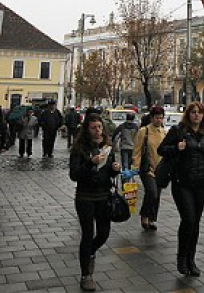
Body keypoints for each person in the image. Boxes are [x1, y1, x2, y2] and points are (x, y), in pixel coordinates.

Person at [158, 102, 204, 276]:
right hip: (182, 183)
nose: (197, 115)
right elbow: (161, 149)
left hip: (201, 184)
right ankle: (181, 258)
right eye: (193, 112)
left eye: (200, 113)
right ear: (188, 115)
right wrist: (176, 147)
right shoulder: (178, 131)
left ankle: (191, 260)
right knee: (189, 219)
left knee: (195, 222)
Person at [69, 113, 121, 292]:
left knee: (104, 233)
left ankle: (89, 253)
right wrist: (91, 162)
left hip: (104, 196)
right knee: (87, 233)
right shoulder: (79, 148)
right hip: (85, 197)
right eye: (93, 128)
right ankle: (86, 275)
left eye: (99, 127)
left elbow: (109, 171)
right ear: (87, 130)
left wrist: (115, 170)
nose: (97, 131)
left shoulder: (107, 147)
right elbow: (74, 175)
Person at [132, 105, 167, 231]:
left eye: (161, 118)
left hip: (161, 169)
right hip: (147, 168)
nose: (159, 120)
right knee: (151, 192)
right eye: (157, 118)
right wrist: (134, 167)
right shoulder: (144, 131)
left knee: (157, 195)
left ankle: (152, 219)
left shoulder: (164, 132)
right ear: (151, 118)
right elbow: (137, 150)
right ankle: (144, 215)